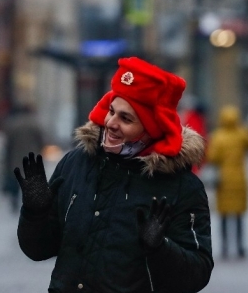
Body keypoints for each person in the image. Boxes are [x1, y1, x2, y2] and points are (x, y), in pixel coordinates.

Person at [14, 57, 213, 292]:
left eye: (126, 118)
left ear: (152, 129)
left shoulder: (181, 187)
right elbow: (38, 250)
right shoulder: (75, 163)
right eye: (111, 111)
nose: (111, 123)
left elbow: (197, 274)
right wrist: (36, 214)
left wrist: (160, 248)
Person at [206, 105, 248, 259]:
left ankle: (225, 247)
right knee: (239, 215)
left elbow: (213, 157)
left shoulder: (218, 136)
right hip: (240, 178)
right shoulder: (242, 134)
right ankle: (240, 246)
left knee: (224, 215)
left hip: (224, 179)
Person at [2, 104, 45, 212]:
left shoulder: (13, 124)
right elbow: (41, 141)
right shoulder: (34, 124)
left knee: (16, 181)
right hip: (32, 158)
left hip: (16, 157)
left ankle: (14, 202)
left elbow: (8, 143)